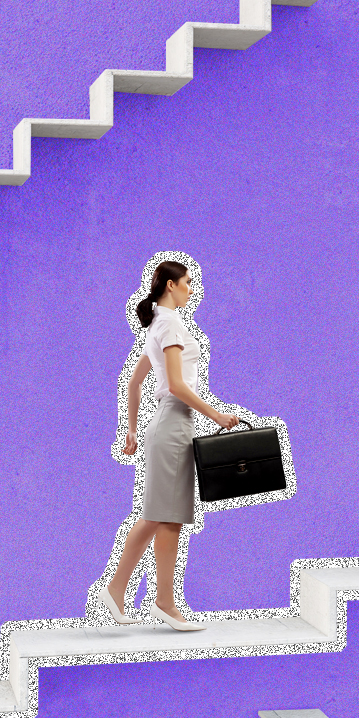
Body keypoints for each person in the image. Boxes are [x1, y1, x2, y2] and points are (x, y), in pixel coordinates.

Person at [96, 259, 243, 631]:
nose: (191, 289)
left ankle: (123, 591)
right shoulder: (171, 323)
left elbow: (134, 383)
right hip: (174, 423)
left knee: (160, 515)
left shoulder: (159, 324)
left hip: (167, 424)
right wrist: (217, 415)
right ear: (171, 286)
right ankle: (160, 601)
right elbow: (177, 385)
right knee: (167, 516)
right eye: (188, 282)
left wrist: (130, 430)